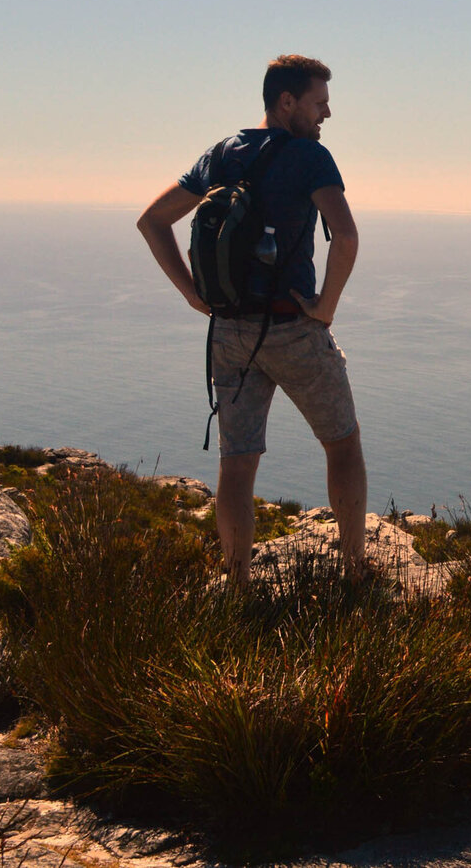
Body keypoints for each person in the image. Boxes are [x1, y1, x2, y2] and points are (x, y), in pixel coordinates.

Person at [137, 54, 366, 583]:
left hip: (230, 332)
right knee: (343, 444)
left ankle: (236, 586)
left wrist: (194, 295)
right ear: (287, 102)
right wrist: (325, 308)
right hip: (292, 327)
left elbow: (152, 221)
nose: (326, 115)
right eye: (319, 103)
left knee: (237, 464)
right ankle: (354, 571)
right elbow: (347, 237)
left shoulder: (222, 154)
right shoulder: (311, 157)